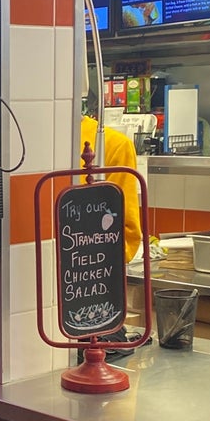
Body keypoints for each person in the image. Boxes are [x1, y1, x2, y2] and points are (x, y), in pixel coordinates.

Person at [79, 113, 144, 361]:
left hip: (85, 296)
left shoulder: (112, 144)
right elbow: (125, 236)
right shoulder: (114, 144)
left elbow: (123, 234)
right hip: (78, 300)